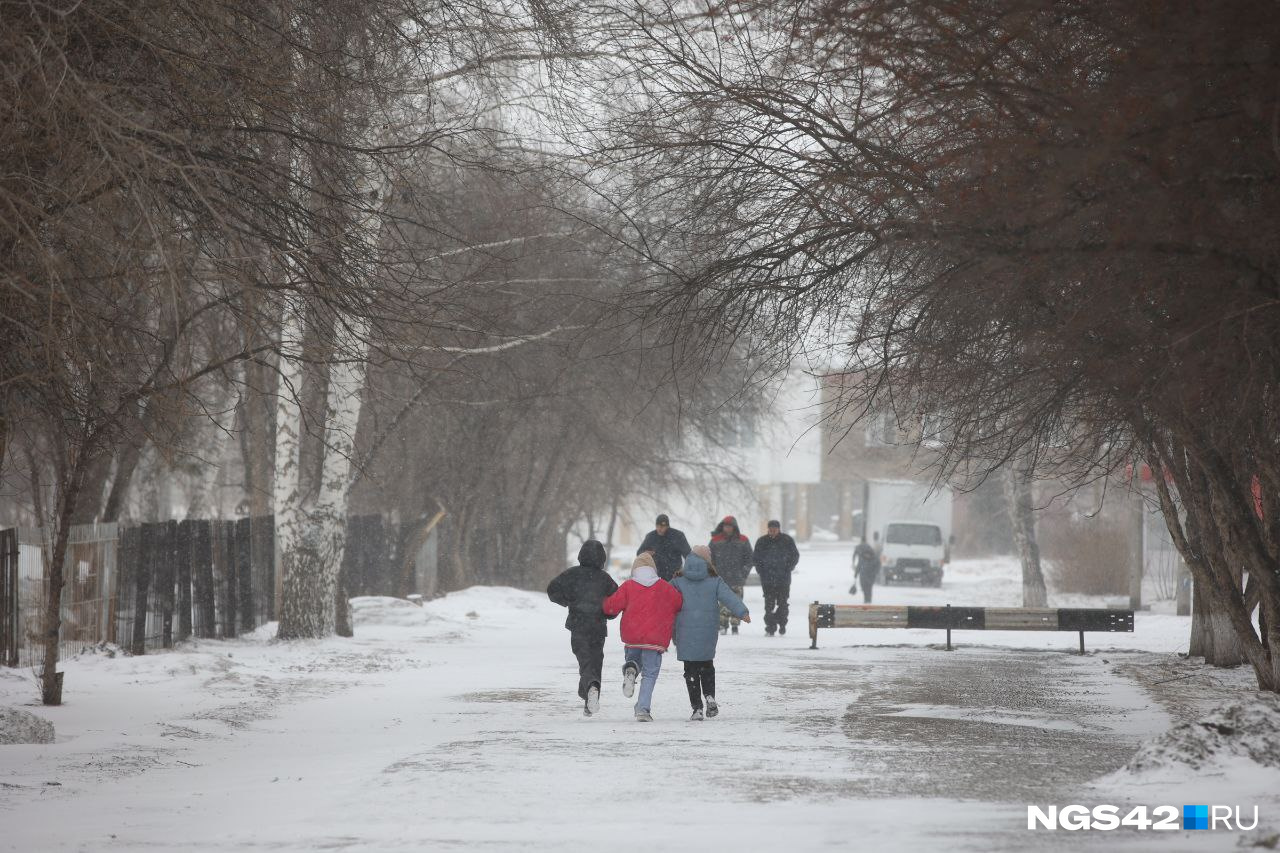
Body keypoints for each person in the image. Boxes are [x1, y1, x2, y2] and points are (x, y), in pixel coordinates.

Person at [602, 553, 684, 721]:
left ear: (635, 569)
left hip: (632, 637)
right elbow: (678, 603)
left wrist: (601, 601)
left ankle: (631, 669)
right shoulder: (663, 586)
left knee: (635, 662)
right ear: (653, 569)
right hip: (654, 639)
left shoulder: (628, 586)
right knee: (650, 674)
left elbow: (610, 607)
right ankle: (642, 709)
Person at [672, 545, 750, 720]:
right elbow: (729, 596)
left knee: (690, 670)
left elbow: (663, 598)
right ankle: (709, 696)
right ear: (707, 560)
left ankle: (697, 708)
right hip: (707, 631)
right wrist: (742, 612)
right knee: (706, 665)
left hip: (685, 632)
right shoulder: (714, 579)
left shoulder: (679, 580)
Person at [546, 540, 618, 716]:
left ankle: (590, 686)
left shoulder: (571, 575)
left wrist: (568, 601)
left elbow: (552, 590)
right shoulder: (605, 578)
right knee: (596, 661)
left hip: (578, 625)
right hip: (598, 627)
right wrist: (608, 614)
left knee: (585, 661)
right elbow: (616, 601)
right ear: (602, 557)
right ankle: (589, 699)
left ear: (581, 555)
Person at [753, 520, 799, 636]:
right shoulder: (762, 541)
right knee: (768, 605)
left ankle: (782, 623)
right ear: (768, 529)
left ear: (779, 529)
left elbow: (795, 555)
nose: (772, 531)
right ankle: (770, 626)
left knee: (783, 603)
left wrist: (789, 567)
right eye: (770, 529)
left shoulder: (787, 540)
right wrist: (760, 570)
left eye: (775, 529)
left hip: (783, 579)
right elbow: (756, 557)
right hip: (767, 579)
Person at [709, 515, 754, 634]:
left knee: (737, 602)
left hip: (737, 579)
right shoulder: (715, 540)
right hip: (720, 578)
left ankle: (735, 625)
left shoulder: (743, 540)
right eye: (725, 526)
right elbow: (709, 559)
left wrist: (743, 573)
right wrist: (713, 572)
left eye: (729, 526)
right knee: (721, 603)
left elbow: (750, 559)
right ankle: (722, 625)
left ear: (734, 527)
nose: (727, 528)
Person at [636, 513, 692, 582]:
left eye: (663, 527)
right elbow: (639, 553)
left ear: (668, 526)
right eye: (658, 526)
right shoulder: (651, 537)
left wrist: (685, 570)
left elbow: (688, 555)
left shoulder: (678, 536)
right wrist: (645, 553)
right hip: (656, 577)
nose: (660, 529)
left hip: (674, 577)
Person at [852, 533, 880, 603]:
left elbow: (854, 556)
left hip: (867, 574)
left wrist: (853, 563)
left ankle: (868, 600)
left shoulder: (858, 547)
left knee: (867, 587)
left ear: (861, 540)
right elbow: (877, 562)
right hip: (866, 574)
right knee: (867, 588)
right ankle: (867, 600)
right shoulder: (868, 547)